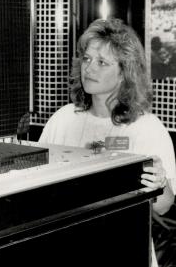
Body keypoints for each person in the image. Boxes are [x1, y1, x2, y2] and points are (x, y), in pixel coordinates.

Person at [39, 18, 176, 267]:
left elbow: (164, 207)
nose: (89, 68)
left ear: (125, 72)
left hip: (125, 252)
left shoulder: (147, 128)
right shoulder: (63, 119)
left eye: (102, 62)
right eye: (87, 59)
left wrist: (160, 183)